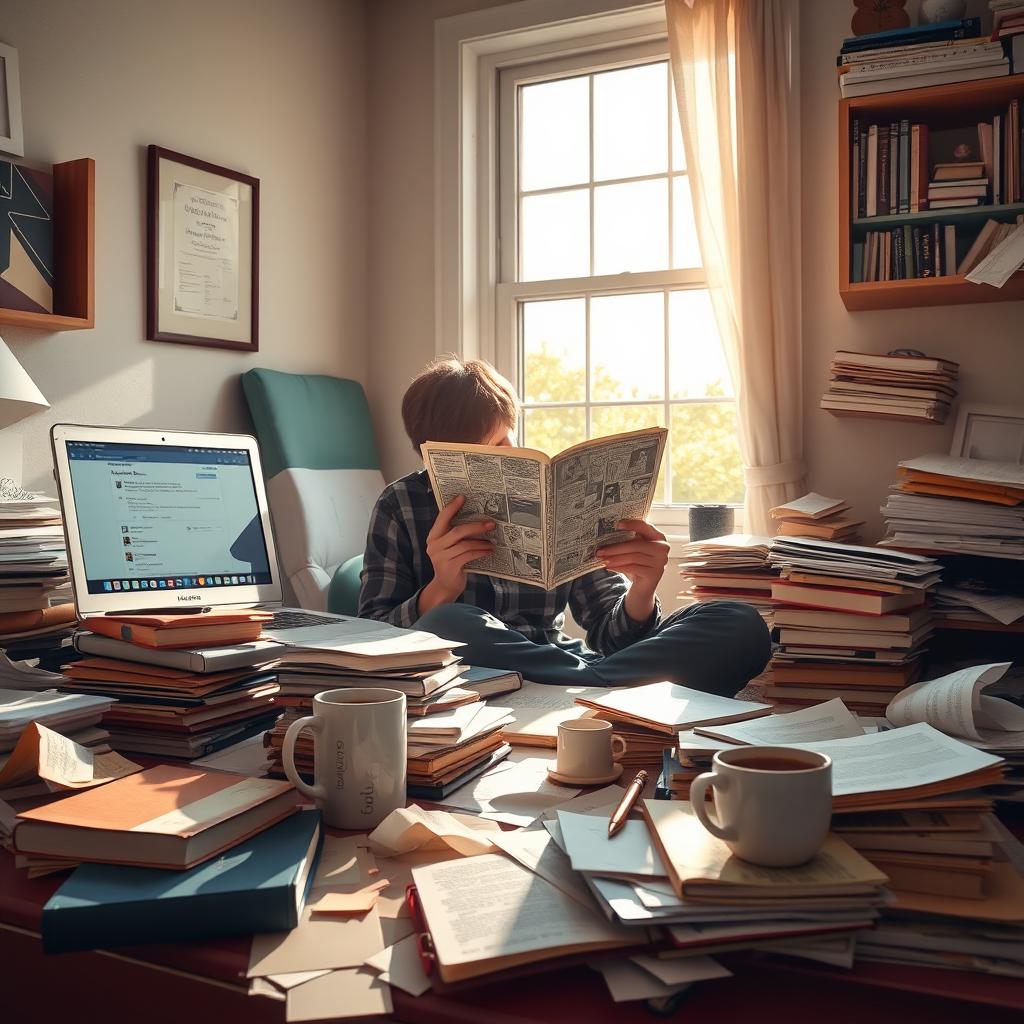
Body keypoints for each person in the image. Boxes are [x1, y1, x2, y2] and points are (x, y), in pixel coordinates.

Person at [358, 357, 770, 695]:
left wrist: (643, 588)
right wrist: (440, 590)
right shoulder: (401, 504)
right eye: (480, 452)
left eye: (503, 441)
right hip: (475, 675)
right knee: (451, 624)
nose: (503, 456)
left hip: (563, 663)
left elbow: (612, 638)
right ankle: (605, 694)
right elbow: (372, 642)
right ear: (432, 456)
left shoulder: (557, 496)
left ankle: (586, 688)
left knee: (739, 623)